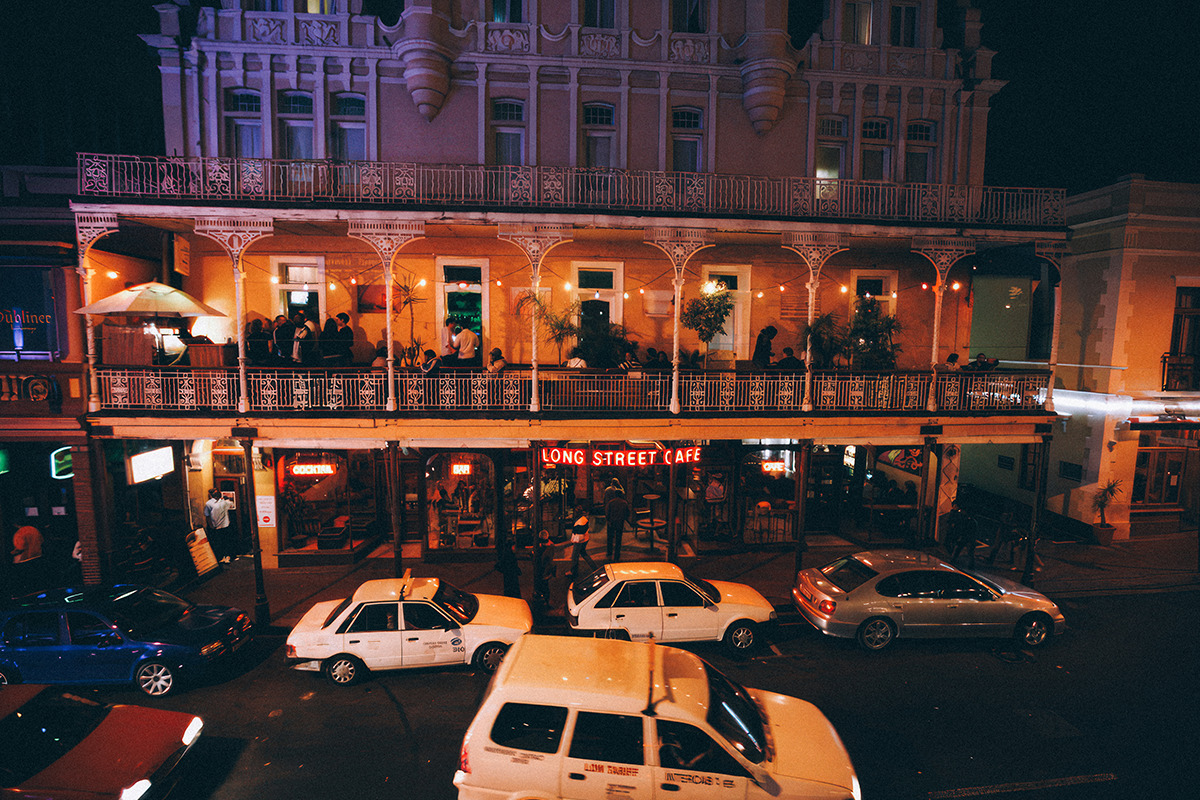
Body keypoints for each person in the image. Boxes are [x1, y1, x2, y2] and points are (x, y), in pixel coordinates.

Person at [11, 523, 44, 596]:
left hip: (25, 559)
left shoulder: (21, 532)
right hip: (38, 557)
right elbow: (41, 541)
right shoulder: (34, 530)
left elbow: (20, 547)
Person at [204, 488, 235, 563]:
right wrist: (211, 525)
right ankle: (224, 557)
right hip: (218, 526)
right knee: (221, 542)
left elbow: (207, 516)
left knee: (224, 542)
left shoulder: (221, 502)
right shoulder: (210, 503)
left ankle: (225, 556)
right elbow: (207, 515)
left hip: (222, 525)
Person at [942, 501, 978, 567]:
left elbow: (963, 528)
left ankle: (954, 561)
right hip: (969, 538)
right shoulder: (972, 521)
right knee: (968, 551)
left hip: (965, 537)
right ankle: (970, 564)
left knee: (960, 549)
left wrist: (960, 536)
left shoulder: (966, 520)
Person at [569, 505, 597, 578]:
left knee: (574, 556)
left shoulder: (580, 521)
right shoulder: (584, 519)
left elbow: (579, 532)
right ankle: (594, 568)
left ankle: (573, 572)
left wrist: (574, 536)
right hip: (584, 539)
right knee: (583, 553)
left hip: (579, 540)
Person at [604, 490, 632, 561]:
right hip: (620, 522)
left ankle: (609, 552)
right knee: (618, 539)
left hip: (611, 522)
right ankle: (617, 554)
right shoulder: (624, 503)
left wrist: (608, 520)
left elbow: (607, 512)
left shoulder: (611, 502)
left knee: (610, 538)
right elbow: (627, 513)